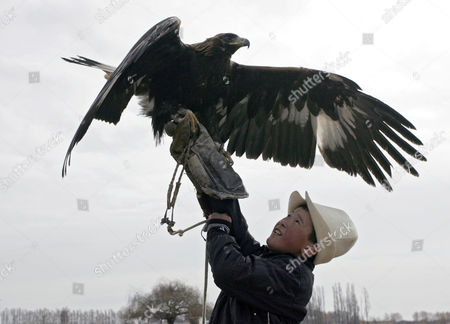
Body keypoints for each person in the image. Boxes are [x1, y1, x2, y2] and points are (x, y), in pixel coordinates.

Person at [197, 190, 358, 323]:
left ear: (310, 248)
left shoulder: (294, 276)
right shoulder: (270, 260)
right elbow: (240, 234)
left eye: (297, 221)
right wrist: (220, 193)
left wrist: (218, 228)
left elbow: (228, 271)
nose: (284, 221)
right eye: (289, 216)